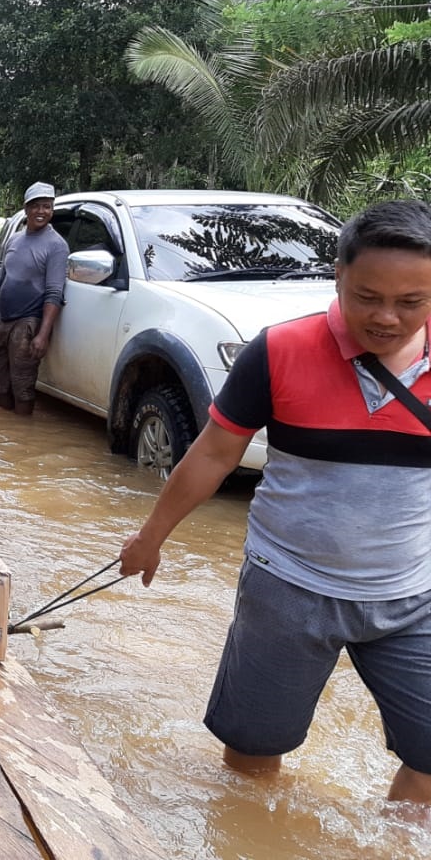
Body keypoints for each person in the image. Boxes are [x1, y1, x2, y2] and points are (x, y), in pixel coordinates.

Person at [120, 199, 431, 808]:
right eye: (367, 296)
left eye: (411, 301)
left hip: (411, 596)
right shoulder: (278, 351)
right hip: (287, 586)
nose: (387, 317)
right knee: (253, 754)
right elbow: (213, 454)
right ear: (338, 277)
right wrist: (150, 537)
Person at [0, 182, 68, 415]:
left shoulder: (56, 245)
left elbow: (55, 292)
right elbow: (0, 283)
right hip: (5, 321)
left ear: (52, 209)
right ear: (26, 209)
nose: (41, 212)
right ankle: (5, 437)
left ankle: (22, 426)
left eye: (47, 206)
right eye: (36, 206)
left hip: (29, 322)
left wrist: (43, 335)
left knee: (22, 385)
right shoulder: (14, 240)